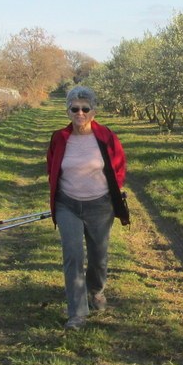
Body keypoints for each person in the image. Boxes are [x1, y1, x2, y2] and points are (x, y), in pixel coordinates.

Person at [46, 86, 129, 330]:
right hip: (67, 204)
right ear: (68, 111)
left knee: (98, 257)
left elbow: (119, 167)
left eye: (85, 108)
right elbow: (52, 167)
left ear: (93, 111)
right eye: (75, 108)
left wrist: (112, 191)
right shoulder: (59, 138)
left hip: (100, 206)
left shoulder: (106, 136)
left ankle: (96, 291)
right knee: (73, 255)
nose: (80, 113)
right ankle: (77, 313)